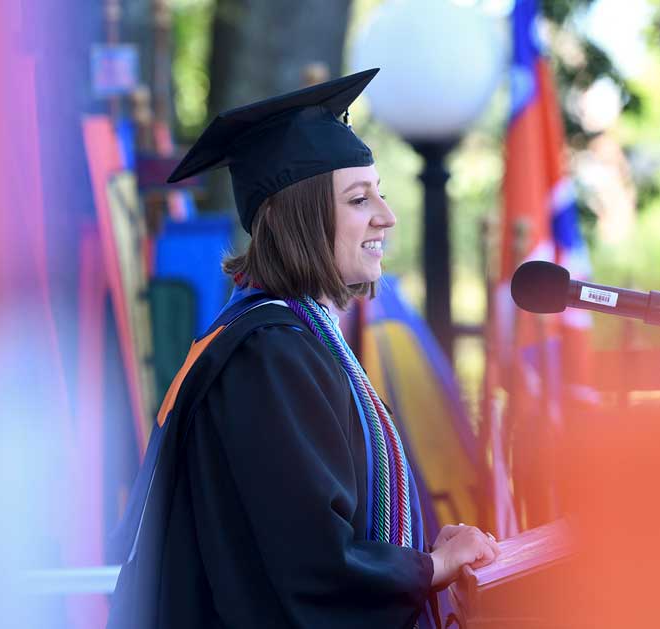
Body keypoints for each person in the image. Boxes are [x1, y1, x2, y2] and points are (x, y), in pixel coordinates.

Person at [107, 69, 499, 629]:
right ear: (303, 218)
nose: (386, 216)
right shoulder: (270, 353)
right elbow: (313, 567)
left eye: (379, 194)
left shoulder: (283, 338)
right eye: (360, 199)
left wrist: (427, 555)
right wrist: (432, 565)